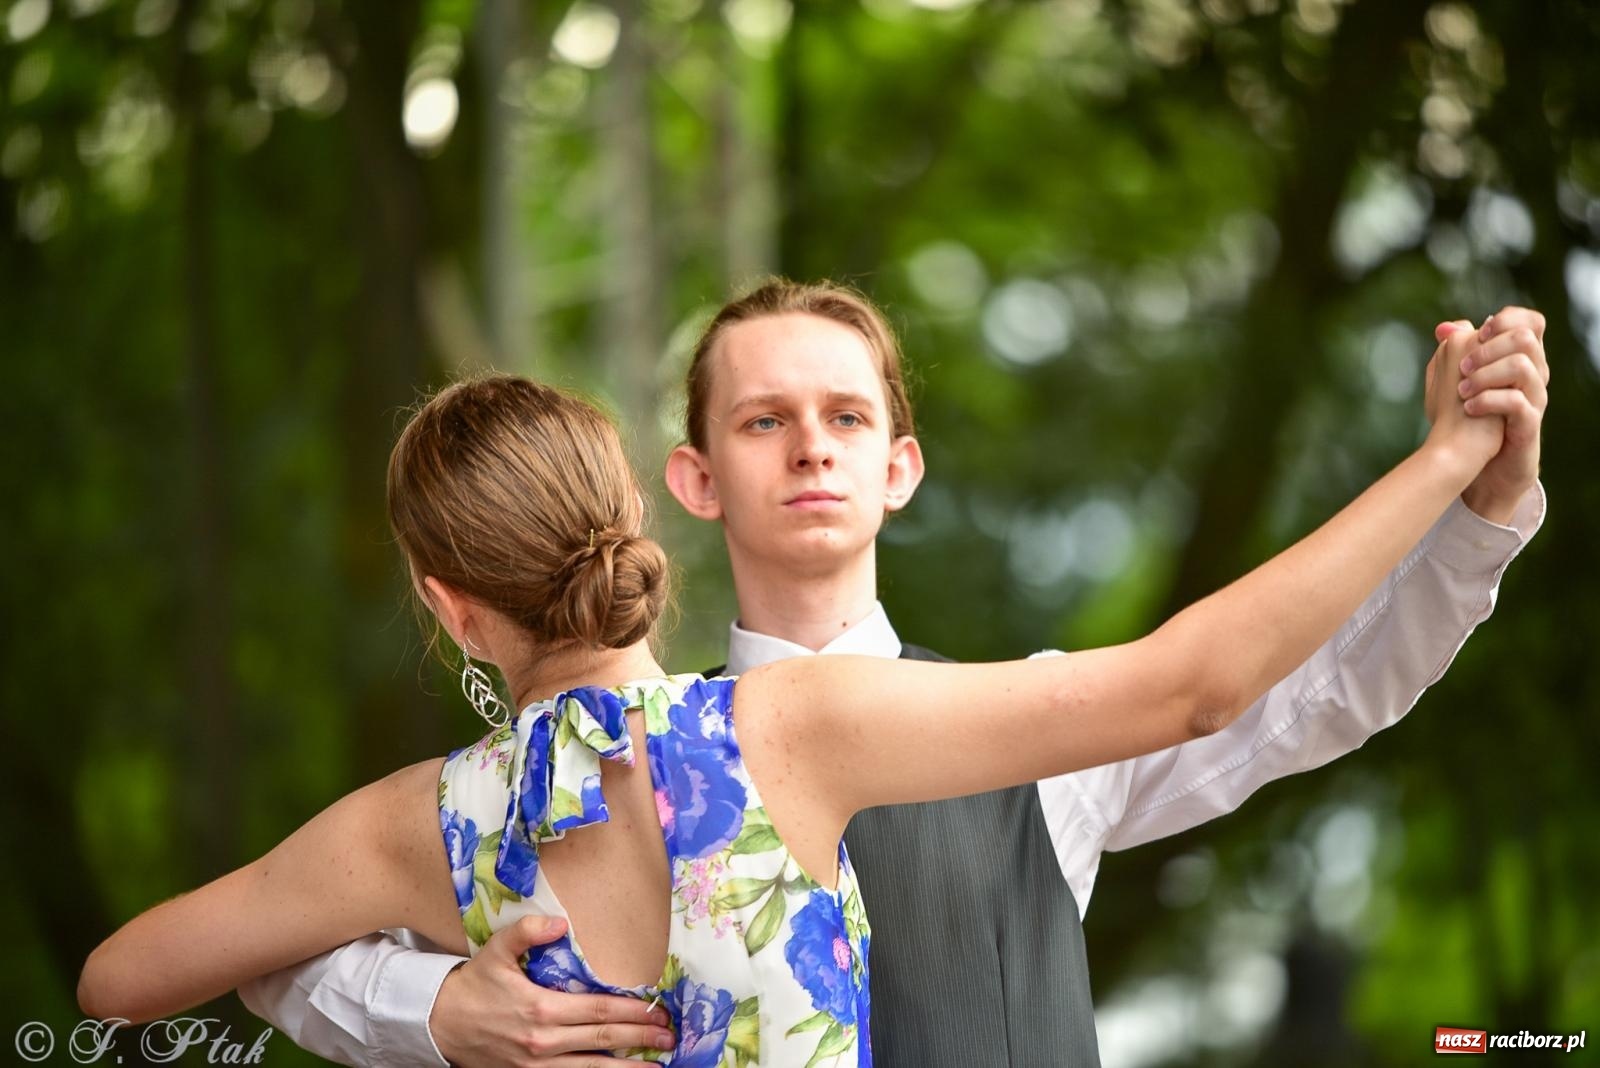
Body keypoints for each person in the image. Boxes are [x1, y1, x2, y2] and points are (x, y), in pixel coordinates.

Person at [229, 287, 1548, 1068]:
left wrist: (1484, 510)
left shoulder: (1034, 720)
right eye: (763, 420)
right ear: (690, 483)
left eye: (847, 416)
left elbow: (1324, 691)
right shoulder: (598, 767)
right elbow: (272, 953)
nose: (810, 446)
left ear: (898, 470)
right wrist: (434, 1009)